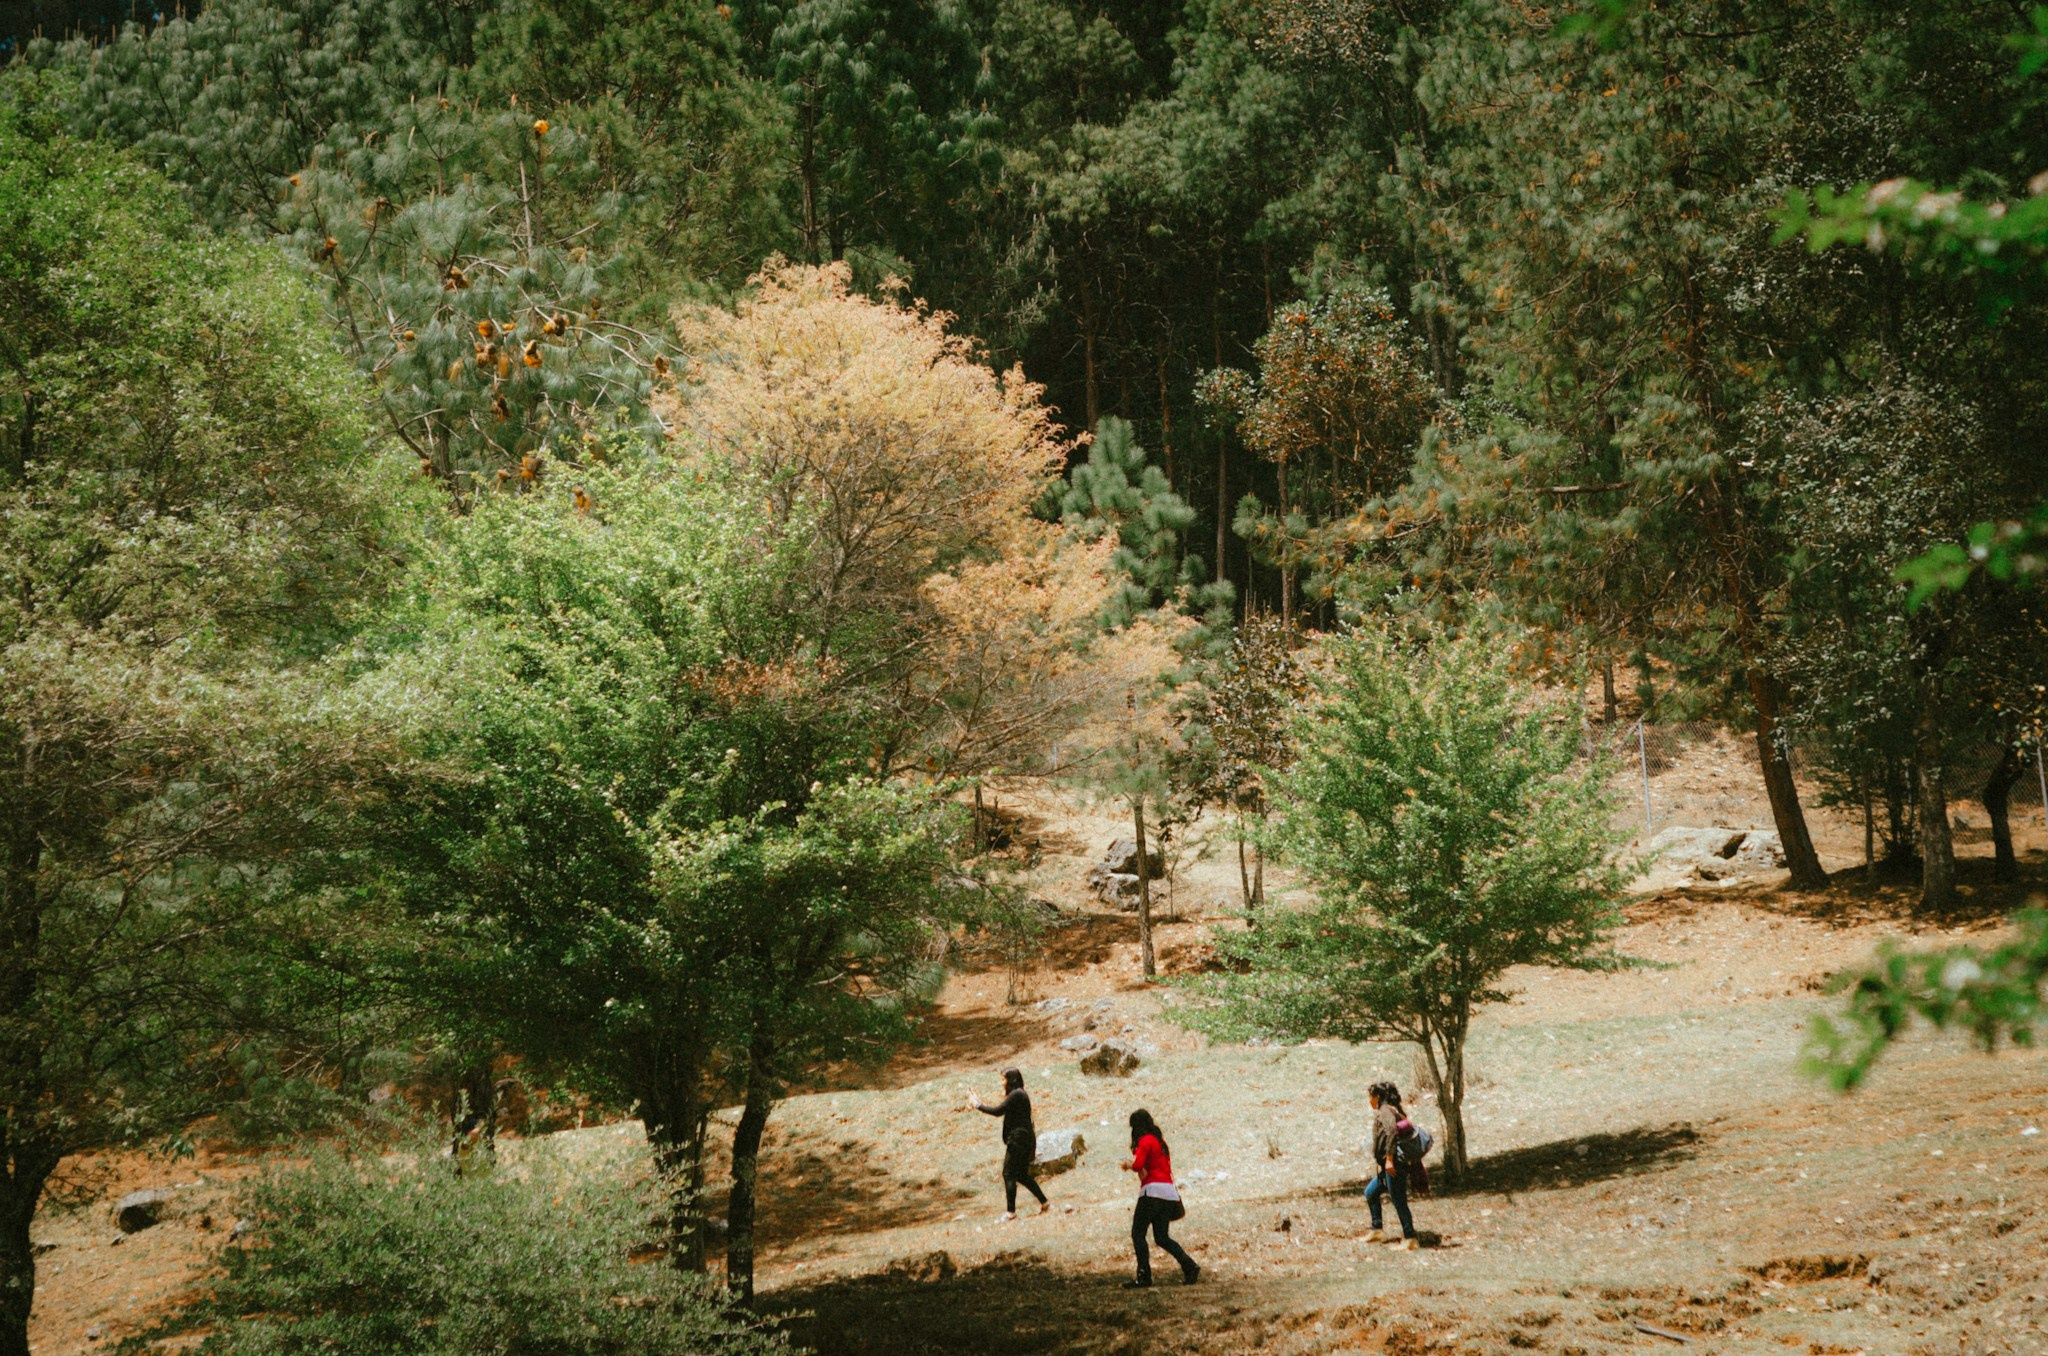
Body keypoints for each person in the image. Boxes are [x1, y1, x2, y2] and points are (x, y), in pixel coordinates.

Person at [1123, 1108, 1199, 1287]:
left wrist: (1128, 1165)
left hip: (1152, 1192)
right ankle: (1189, 1265)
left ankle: (1144, 1276)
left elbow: (1138, 1165)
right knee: (1162, 1237)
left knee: (1138, 1233)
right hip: (1168, 1192)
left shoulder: (1144, 1141)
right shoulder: (1160, 1141)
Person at [968, 1067, 1048, 1220]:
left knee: (1009, 1173)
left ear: (1011, 1080)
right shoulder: (1018, 1094)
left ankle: (1011, 1212)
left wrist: (978, 1105)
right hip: (1024, 1139)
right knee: (1021, 1175)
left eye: (1003, 1079)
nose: (1002, 1083)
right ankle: (1045, 1203)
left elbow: (998, 1111)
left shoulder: (1017, 1094)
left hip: (1019, 1140)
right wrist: (978, 1102)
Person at [1364, 1081, 1420, 1249]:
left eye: (1371, 1096)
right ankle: (1377, 1230)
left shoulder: (1385, 1110)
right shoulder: (1390, 1109)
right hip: (1389, 1165)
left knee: (1398, 1199)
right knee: (1371, 1192)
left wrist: (1389, 1159)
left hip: (1393, 1164)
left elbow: (1392, 1132)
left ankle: (1410, 1238)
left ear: (1378, 1097)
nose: (1369, 1100)